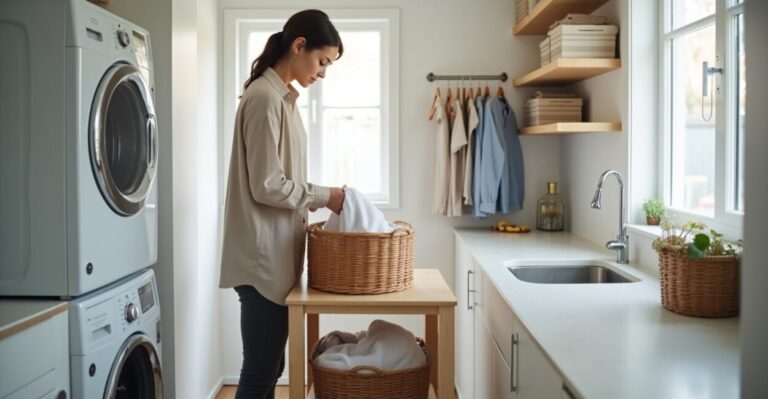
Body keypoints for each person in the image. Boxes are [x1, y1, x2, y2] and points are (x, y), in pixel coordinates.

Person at [218, 9, 345, 399]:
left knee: (270, 368)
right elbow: (267, 185)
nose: (323, 73)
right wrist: (326, 196)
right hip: (261, 262)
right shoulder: (264, 98)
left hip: (274, 258)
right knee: (260, 371)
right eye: (322, 61)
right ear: (299, 45)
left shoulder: (284, 100)